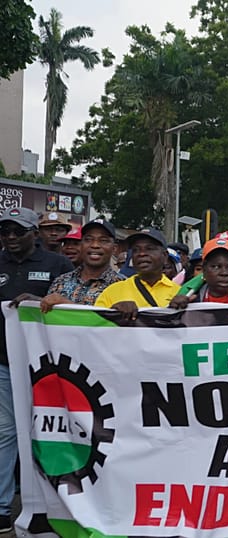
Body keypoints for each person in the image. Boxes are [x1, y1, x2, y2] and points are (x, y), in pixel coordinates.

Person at [0, 207, 74, 531]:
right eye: (5, 232)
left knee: (49, 429)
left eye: (18, 231)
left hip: (47, 365)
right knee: (6, 432)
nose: (11, 238)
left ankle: (53, 503)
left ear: (34, 234)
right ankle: (3, 506)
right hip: (5, 363)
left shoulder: (57, 264)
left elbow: (69, 305)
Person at [37, 218, 125, 310]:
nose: (95, 245)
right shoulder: (60, 282)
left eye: (103, 241)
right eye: (88, 239)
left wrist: (68, 305)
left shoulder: (123, 285)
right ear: (81, 245)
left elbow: (115, 322)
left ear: (114, 248)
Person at [94, 228, 180, 318]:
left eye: (149, 249)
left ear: (165, 256)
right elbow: (96, 326)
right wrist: (114, 313)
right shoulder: (112, 292)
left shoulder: (178, 293)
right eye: (136, 250)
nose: (141, 254)